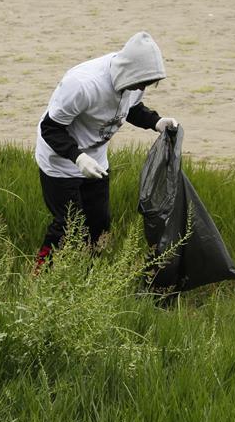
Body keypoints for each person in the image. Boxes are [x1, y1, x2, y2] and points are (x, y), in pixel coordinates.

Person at [33, 31, 179, 273]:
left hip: (97, 161)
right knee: (68, 227)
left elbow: (130, 108)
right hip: (60, 161)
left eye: (146, 83)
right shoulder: (82, 84)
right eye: (140, 83)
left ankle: (86, 275)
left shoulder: (134, 82)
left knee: (99, 226)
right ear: (127, 71)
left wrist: (156, 121)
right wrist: (78, 158)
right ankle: (41, 274)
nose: (142, 87)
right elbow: (50, 128)